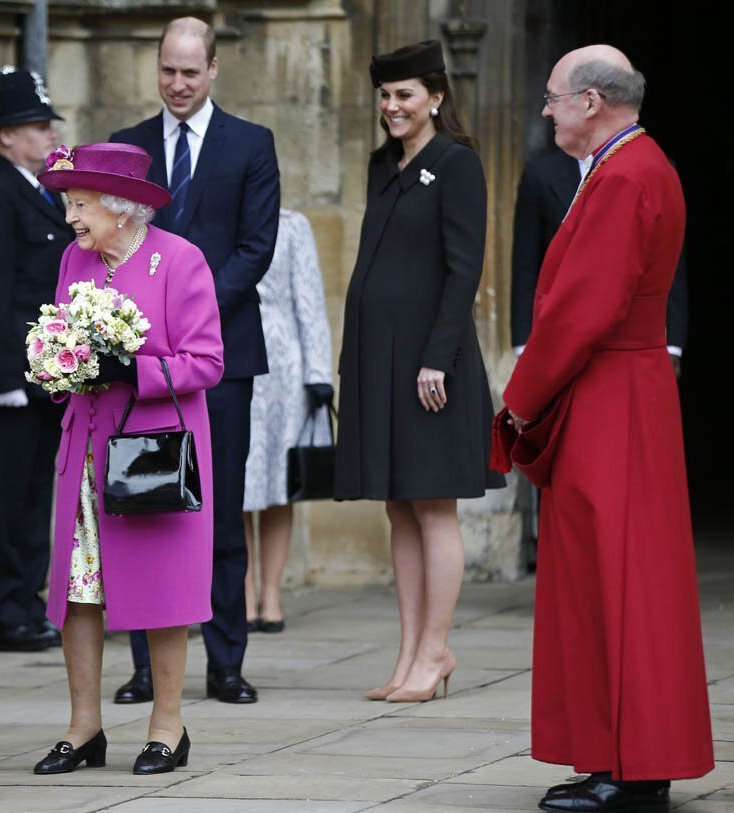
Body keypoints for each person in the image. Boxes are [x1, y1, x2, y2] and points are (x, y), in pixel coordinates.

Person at [501, 46, 714, 812]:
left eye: (554, 99)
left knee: (616, 580)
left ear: (592, 101)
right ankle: (621, 758)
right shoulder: (634, 165)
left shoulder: (624, 175)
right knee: (616, 580)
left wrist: (520, 399)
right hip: (625, 389)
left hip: (611, 393)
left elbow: (581, 308)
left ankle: (629, 769)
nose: (548, 111)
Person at [31, 142, 223, 775]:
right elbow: (63, 330)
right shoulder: (74, 261)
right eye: (68, 204)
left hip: (151, 453)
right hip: (84, 446)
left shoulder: (180, 260)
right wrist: (60, 362)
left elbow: (207, 362)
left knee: (162, 591)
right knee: (78, 592)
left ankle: (168, 726)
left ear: (121, 207)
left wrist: (130, 367)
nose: (71, 218)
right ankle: (84, 729)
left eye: (81, 204)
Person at [109, 15, 279, 706]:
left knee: (219, 507)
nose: (177, 84)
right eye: (167, 71)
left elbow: (255, 247)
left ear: (213, 70)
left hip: (222, 360)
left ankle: (226, 660)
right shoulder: (128, 146)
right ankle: (146, 666)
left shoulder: (250, 144)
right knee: (140, 506)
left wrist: (190, 312)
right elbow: (110, 242)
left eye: (190, 71)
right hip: (137, 363)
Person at [334, 40, 504, 703]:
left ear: (435, 96)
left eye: (405, 94)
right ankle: (408, 653)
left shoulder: (457, 165)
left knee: (434, 506)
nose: (392, 106)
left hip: (432, 365)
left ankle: (436, 650)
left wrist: (438, 357)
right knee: (397, 505)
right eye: (384, 95)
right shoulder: (384, 165)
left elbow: (464, 269)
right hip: (381, 362)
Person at [0, 67, 72, 652]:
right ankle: (4, 616)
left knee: (31, 499)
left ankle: (26, 604)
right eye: (36, 126)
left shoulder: (36, 190)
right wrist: (4, 375)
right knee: (3, 501)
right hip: (4, 378)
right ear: (4, 136)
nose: (49, 135)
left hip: (39, 374)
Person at [511, 149, 689, 370]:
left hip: (630, 336)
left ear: (592, 111)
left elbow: (668, 260)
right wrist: (524, 345)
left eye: (554, 109)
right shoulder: (540, 173)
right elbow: (526, 265)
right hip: (561, 335)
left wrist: (672, 344)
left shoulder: (656, 169)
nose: (547, 112)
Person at [242, 208, 334, 632]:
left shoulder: (292, 224)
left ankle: (272, 595)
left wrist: (318, 373)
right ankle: (241, 595)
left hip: (282, 366)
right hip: (229, 356)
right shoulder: (216, 214)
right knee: (236, 484)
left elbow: (311, 299)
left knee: (280, 482)